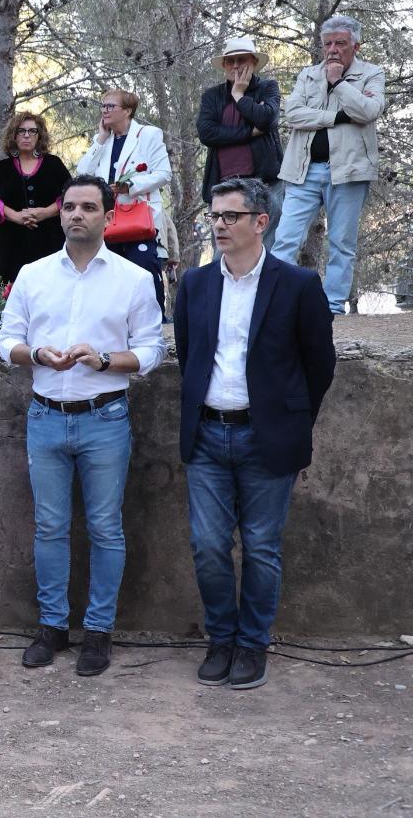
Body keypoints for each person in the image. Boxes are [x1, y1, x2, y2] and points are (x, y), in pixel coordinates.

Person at [0, 175, 166, 678]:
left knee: (105, 528)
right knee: (49, 526)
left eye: (89, 207)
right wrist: (36, 354)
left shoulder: (134, 279)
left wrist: (105, 359)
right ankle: (52, 627)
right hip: (46, 414)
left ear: (108, 216)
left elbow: (153, 349)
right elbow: (6, 339)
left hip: (105, 417)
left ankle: (98, 631)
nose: (76, 215)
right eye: (69, 206)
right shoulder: (33, 274)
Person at [174, 179, 336, 691]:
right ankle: (221, 639)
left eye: (230, 216)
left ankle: (252, 644)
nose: (219, 224)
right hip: (207, 435)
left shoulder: (298, 285)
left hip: (267, 439)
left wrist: (289, 419)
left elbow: (320, 365)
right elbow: (188, 355)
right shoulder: (195, 285)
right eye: (215, 216)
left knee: (263, 546)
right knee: (208, 545)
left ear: (260, 222)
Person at [272, 15, 385, 314]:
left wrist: (337, 82)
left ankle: (332, 308)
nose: (333, 49)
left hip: (348, 172)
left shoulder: (372, 73)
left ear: (355, 46)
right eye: (328, 44)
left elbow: (369, 110)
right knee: (285, 239)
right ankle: (278, 305)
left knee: (341, 245)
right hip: (303, 169)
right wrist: (337, 117)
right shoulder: (308, 75)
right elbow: (293, 115)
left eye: (340, 43)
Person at [74, 90, 172, 314]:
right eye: (103, 106)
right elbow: (82, 174)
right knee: (108, 276)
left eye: (110, 106)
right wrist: (99, 139)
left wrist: (131, 186)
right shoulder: (103, 140)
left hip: (138, 219)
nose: (104, 111)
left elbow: (164, 174)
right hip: (108, 221)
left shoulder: (147, 135)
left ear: (127, 111)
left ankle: (152, 327)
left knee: (143, 270)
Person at [198, 37, 283, 247]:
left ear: (253, 62)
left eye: (241, 59)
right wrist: (250, 132)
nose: (235, 65)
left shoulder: (267, 87)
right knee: (223, 248)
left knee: (267, 245)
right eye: (230, 61)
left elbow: (266, 119)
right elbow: (207, 133)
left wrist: (238, 94)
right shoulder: (212, 96)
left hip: (265, 183)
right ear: (224, 65)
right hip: (223, 184)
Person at [0, 113, 69, 284]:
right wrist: (15, 216)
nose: (26, 135)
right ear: (13, 135)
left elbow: (70, 194)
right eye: (21, 131)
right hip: (11, 247)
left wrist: (46, 212)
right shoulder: (3, 168)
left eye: (32, 131)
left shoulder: (54, 164)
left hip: (50, 245)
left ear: (39, 136)